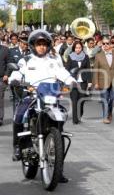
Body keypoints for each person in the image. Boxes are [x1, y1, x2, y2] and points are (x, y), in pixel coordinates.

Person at [9, 29, 76, 182]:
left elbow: (63, 73)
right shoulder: (25, 60)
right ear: (33, 45)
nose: (42, 47)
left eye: (44, 44)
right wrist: (15, 79)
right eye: (39, 44)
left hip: (50, 97)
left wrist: (71, 81)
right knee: (19, 115)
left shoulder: (53, 61)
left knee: (59, 126)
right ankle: (18, 147)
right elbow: (18, 72)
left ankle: (58, 170)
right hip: (32, 96)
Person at [93, 37, 114, 124]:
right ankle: (105, 117)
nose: (106, 45)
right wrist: (96, 83)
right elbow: (96, 70)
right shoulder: (98, 56)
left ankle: (109, 112)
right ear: (102, 45)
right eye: (104, 44)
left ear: (111, 44)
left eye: (107, 43)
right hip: (102, 81)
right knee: (105, 99)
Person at [66, 41, 92, 124]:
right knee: (74, 101)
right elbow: (67, 69)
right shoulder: (70, 57)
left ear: (82, 48)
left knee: (81, 100)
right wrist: (67, 80)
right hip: (73, 82)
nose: (78, 49)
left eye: (79, 48)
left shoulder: (86, 57)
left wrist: (90, 82)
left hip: (83, 82)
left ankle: (79, 115)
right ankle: (75, 120)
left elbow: (88, 69)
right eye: (76, 48)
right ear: (74, 48)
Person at [8, 37, 30, 113]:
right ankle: (16, 116)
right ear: (20, 43)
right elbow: (9, 65)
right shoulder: (12, 51)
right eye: (24, 44)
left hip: (28, 81)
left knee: (29, 100)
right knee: (17, 100)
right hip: (16, 80)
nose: (26, 46)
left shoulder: (31, 53)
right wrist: (7, 76)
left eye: (27, 45)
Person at [0, 42, 10, 126]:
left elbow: (8, 64)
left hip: (1, 78)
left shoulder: (5, 50)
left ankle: (0, 118)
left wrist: (6, 74)